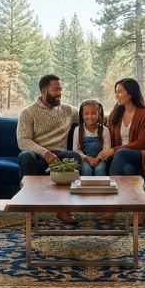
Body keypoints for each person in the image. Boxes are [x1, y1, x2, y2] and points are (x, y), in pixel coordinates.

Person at [97, 78, 145, 223]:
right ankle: (139, 210)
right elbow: (106, 133)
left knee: (121, 154)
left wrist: (114, 150)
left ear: (130, 94)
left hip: (142, 153)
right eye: (116, 92)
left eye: (119, 92)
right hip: (121, 158)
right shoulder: (116, 111)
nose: (117, 95)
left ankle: (112, 207)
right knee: (127, 169)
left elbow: (141, 143)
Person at [17, 74, 80, 225]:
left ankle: (63, 209)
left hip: (59, 156)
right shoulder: (28, 112)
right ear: (44, 91)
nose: (59, 93)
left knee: (73, 156)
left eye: (60, 89)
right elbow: (23, 140)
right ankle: (31, 210)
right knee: (25, 156)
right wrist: (45, 153)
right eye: (55, 89)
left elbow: (91, 115)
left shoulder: (67, 110)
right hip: (37, 155)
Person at [73, 100, 112, 176]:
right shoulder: (78, 130)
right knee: (86, 169)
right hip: (84, 159)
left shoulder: (104, 130)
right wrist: (87, 158)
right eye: (86, 113)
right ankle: (86, 188)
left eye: (93, 113)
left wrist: (98, 159)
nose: (90, 116)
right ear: (82, 115)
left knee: (100, 169)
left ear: (99, 114)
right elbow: (76, 150)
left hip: (101, 159)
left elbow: (106, 149)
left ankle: (101, 187)